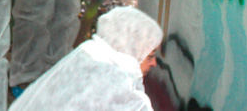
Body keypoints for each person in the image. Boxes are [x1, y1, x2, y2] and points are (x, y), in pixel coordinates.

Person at [9, 7, 162, 111]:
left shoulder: (88, 54)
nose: (154, 63)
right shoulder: (117, 85)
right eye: (150, 55)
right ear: (132, 50)